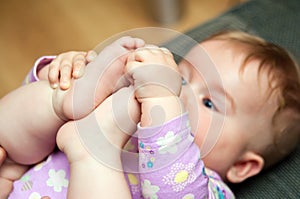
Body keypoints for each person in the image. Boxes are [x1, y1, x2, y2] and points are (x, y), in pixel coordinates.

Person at [4, 30, 300, 198]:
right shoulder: (119, 111)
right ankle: (65, 99)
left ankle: (96, 155)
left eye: (209, 102)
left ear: (243, 166)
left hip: (97, 144)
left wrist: (163, 101)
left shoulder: (210, 188)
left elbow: (174, 188)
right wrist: (64, 74)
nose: (180, 93)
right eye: (181, 77)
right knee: (39, 105)